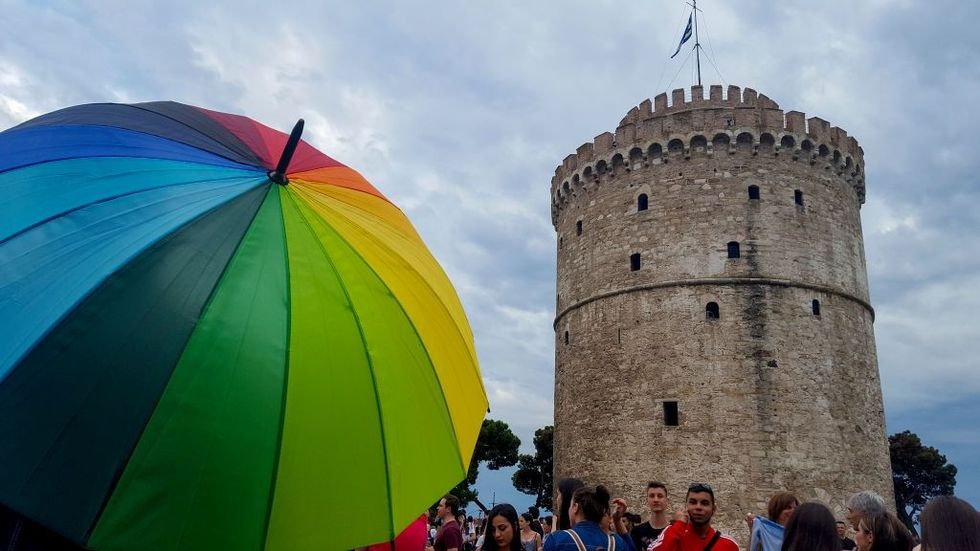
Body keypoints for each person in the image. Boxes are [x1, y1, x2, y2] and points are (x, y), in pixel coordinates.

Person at [650, 482, 739, 551]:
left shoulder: (729, 544)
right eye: (693, 502)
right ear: (686, 507)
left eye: (705, 503)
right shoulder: (672, 534)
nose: (698, 507)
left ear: (713, 509)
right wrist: (679, 525)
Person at [543, 484, 635, 551]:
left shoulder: (557, 540)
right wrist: (617, 520)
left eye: (571, 505)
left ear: (575, 507)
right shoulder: (617, 543)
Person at [631, 481, 671, 551]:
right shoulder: (637, 532)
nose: (656, 499)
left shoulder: (673, 531)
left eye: (660, 496)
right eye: (652, 496)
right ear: (647, 501)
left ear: (666, 501)